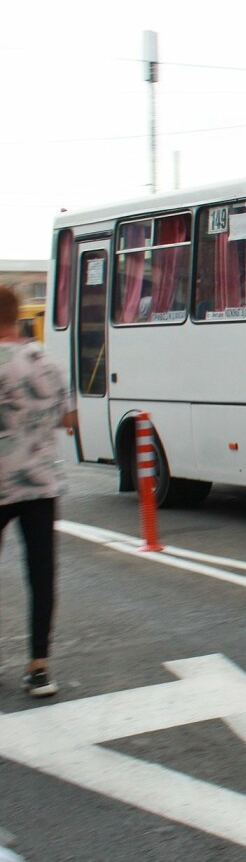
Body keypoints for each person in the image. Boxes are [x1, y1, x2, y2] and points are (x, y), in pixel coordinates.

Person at [0, 285, 76, 698]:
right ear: (16, 316)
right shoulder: (45, 360)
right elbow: (70, 418)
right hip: (42, 484)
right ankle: (40, 667)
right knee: (41, 574)